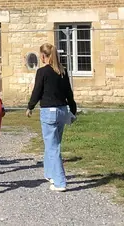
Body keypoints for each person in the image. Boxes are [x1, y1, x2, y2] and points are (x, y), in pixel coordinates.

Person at [26, 43, 77, 193]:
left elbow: (37, 91)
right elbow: (69, 92)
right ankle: (50, 174)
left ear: (43, 56)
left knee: (53, 147)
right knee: (52, 144)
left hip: (49, 111)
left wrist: (30, 106)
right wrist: (73, 110)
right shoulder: (62, 71)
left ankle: (60, 182)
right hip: (62, 110)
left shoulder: (42, 72)